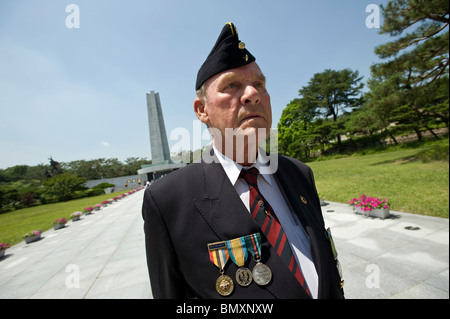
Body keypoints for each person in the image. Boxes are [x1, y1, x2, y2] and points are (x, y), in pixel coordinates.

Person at [142, 22, 344, 299]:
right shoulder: (168, 200)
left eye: (259, 83)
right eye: (232, 85)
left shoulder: (299, 173)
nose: (252, 94)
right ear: (202, 110)